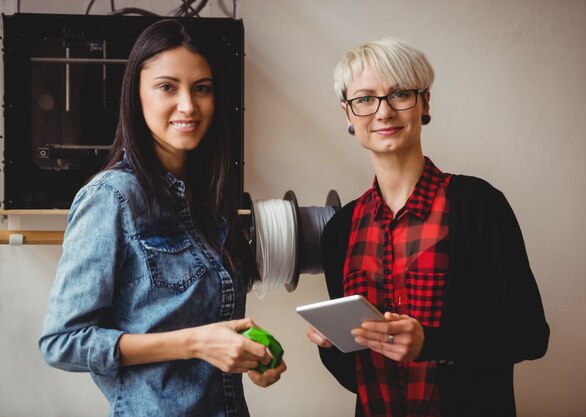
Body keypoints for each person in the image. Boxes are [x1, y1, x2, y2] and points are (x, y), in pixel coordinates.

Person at [39, 19, 286, 417]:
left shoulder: (210, 197)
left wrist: (245, 357)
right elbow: (62, 342)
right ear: (136, 95)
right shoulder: (111, 198)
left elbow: (214, 333)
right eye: (167, 87)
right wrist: (196, 343)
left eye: (201, 88)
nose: (188, 105)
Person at [306, 38, 549, 417]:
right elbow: (356, 378)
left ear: (425, 104)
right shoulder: (340, 230)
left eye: (399, 94)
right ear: (348, 115)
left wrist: (431, 344)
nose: (383, 112)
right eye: (365, 99)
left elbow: (532, 335)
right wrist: (331, 345)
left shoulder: (477, 205)